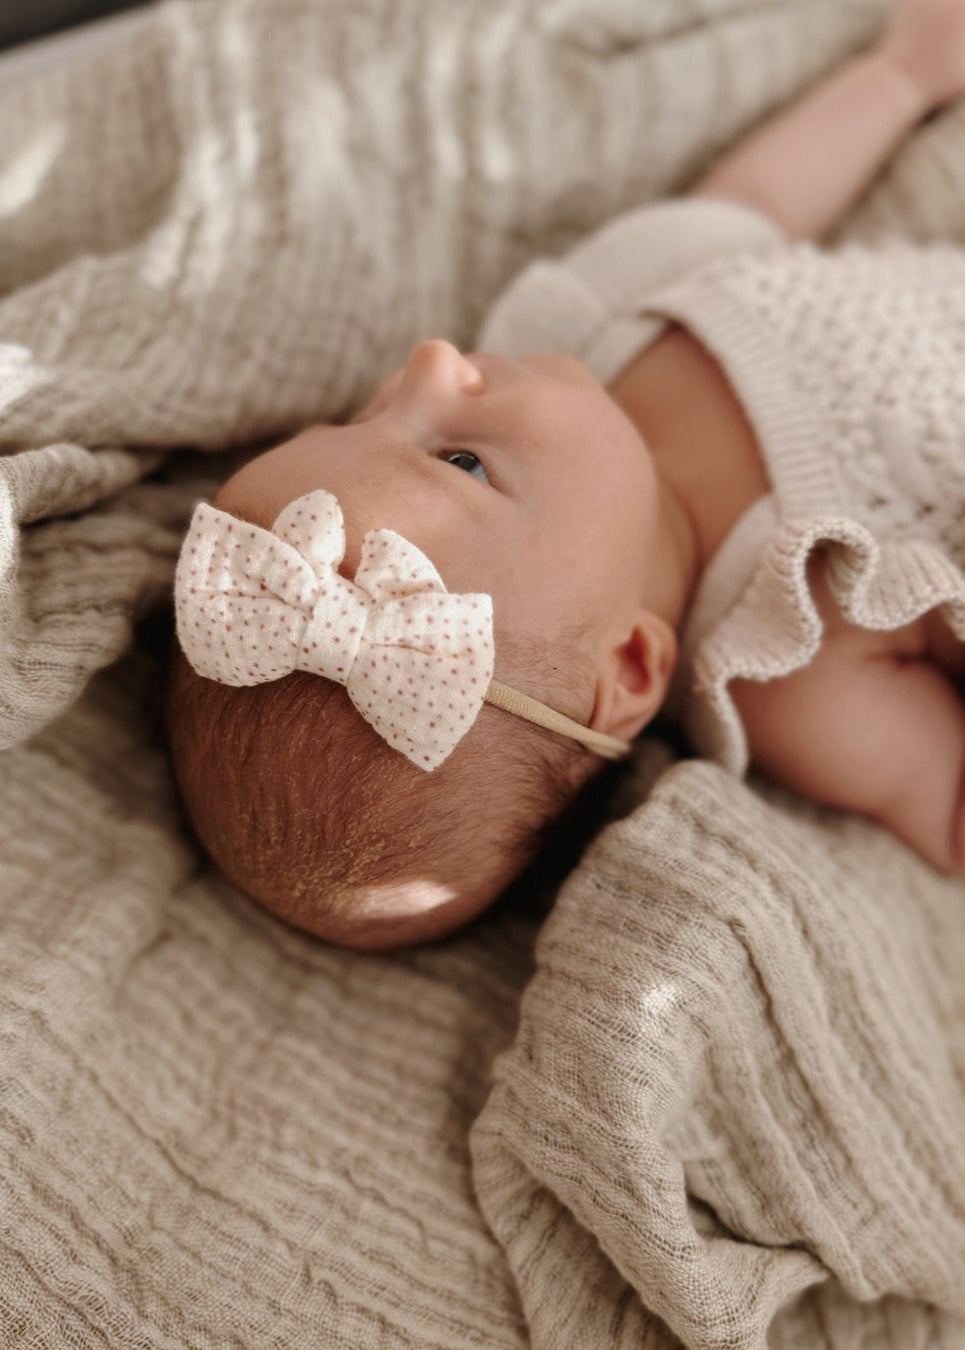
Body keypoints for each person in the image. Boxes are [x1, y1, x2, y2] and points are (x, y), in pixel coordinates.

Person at [166, 0, 965, 949]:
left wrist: (900, 77)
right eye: (460, 462)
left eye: (360, 417)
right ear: (629, 666)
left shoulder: (593, 325)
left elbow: (755, 203)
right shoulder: (793, 668)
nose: (428, 363)